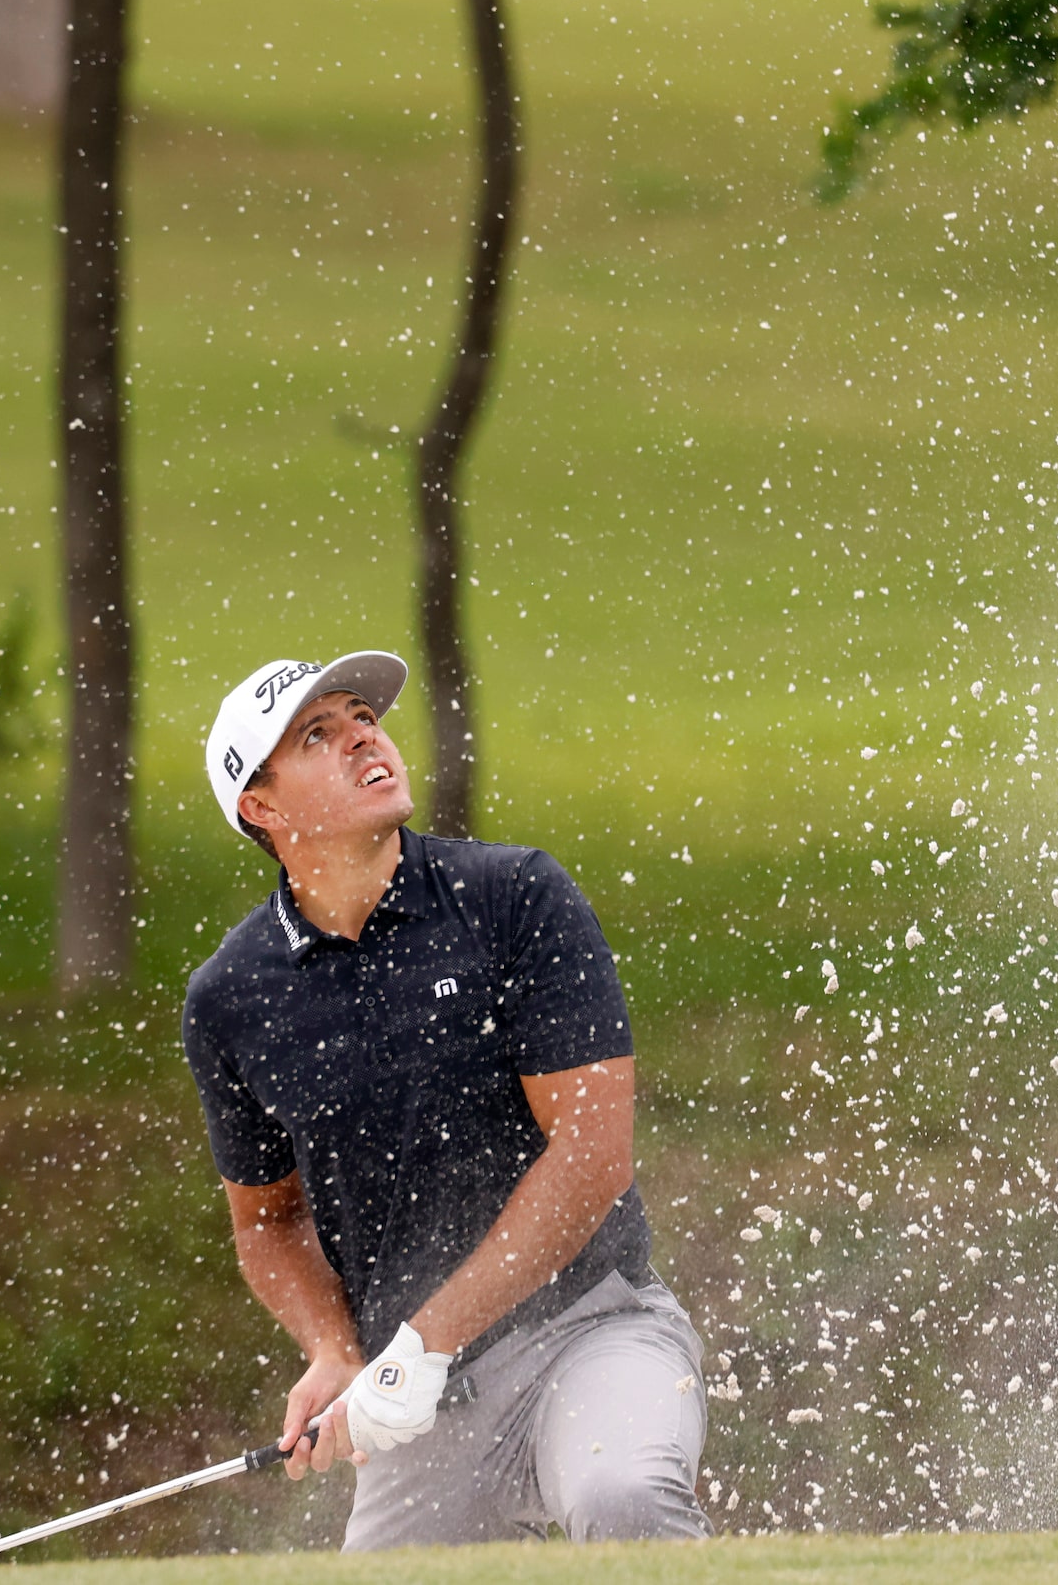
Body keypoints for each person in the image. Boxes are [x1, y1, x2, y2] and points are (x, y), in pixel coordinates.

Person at [181, 651, 710, 1548]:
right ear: (261, 808)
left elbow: (590, 1156)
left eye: (361, 718)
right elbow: (266, 1222)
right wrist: (335, 1349)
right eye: (319, 734)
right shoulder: (232, 998)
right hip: (422, 1403)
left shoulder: (512, 899)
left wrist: (418, 1344)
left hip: (593, 1326)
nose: (362, 737)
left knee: (624, 1501)